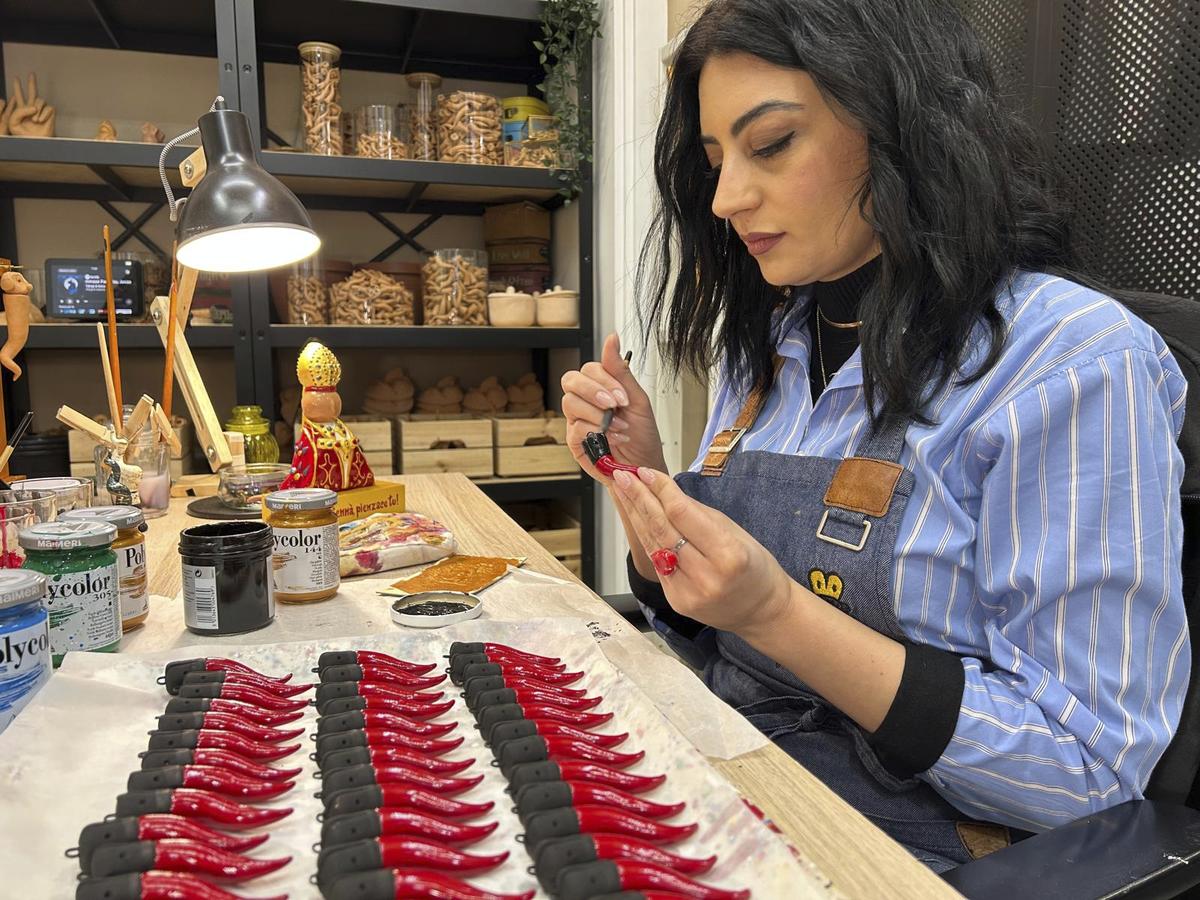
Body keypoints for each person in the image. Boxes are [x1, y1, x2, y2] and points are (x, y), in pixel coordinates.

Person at [560, 0, 1189, 872]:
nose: (727, 197)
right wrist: (650, 490)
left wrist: (779, 613)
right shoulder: (768, 347)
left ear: (901, 126)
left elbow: (1087, 771)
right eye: (713, 160)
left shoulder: (1074, 362)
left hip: (900, 854)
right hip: (721, 782)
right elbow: (708, 636)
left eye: (771, 144)